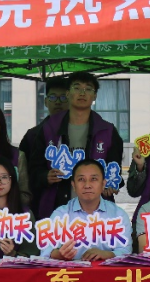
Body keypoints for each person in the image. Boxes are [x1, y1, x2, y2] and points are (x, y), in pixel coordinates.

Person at [28, 72, 125, 219]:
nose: (82, 93)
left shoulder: (107, 131)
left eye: (88, 89)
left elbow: (114, 169)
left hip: (96, 214)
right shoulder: (49, 129)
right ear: (68, 93)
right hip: (57, 210)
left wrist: (111, 186)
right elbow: (33, 169)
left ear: (95, 96)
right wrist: (45, 176)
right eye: (77, 88)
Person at [40, 159, 130, 260]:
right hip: (71, 270)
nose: (87, 185)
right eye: (81, 179)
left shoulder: (118, 215)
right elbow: (46, 251)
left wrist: (107, 254)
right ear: (74, 185)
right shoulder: (60, 215)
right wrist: (60, 255)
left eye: (93, 179)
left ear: (103, 184)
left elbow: (126, 251)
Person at [19, 76, 70, 203]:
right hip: (44, 203)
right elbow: (25, 174)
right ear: (46, 102)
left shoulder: (82, 132)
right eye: (53, 97)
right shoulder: (32, 135)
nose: (58, 102)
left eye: (63, 97)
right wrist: (44, 176)